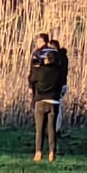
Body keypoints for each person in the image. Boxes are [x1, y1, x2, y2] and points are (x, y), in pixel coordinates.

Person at [28, 33, 67, 161]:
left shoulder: (40, 71)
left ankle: (38, 152)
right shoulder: (57, 71)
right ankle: (52, 153)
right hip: (54, 101)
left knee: (39, 129)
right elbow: (62, 80)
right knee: (52, 129)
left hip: (41, 100)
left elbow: (32, 79)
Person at [51, 38, 70, 135]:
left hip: (59, 85)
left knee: (56, 108)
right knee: (57, 107)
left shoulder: (59, 59)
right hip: (62, 85)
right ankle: (55, 128)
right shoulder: (63, 57)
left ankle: (55, 128)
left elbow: (62, 74)